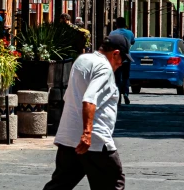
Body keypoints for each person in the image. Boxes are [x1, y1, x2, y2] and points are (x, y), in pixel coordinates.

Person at [43, 33, 128, 190]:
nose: (122, 64)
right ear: (115, 53)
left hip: (69, 138)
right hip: (94, 142)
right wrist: (87, 133)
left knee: (59, 185)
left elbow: (70, 96)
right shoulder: (105, 68)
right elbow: (89, 98)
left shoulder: (82, 59)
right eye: (122, 59)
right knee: (114, 183)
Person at [110, 17, 135, 106]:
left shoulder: (112, 33)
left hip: (116, 58)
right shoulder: (129, 33)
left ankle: (118, 96)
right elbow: (132, 42)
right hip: (127, 58)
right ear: (125, 24)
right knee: (125, 77)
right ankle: (125, 93)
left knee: (116, 78)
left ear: (116, 24)